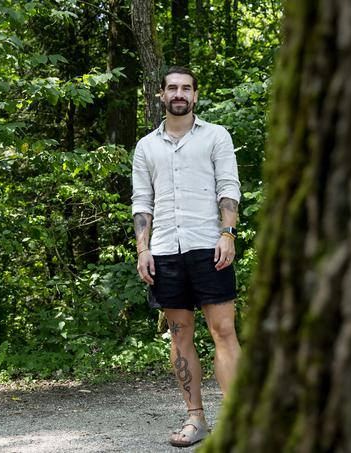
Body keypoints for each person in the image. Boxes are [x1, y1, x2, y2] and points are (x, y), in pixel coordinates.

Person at [131, 66, 241, 448]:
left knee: (224, 332)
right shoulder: (146, 147)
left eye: (186, 88)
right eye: (172, 88)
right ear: (161, 94)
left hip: (209, 247)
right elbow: (142, 202)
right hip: (164, 252)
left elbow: (228, 187)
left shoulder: (215, 136)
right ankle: (196, 418)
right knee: (179, 336)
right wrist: (143, 249)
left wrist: (227, 233)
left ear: (195, 95)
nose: (179, 94)